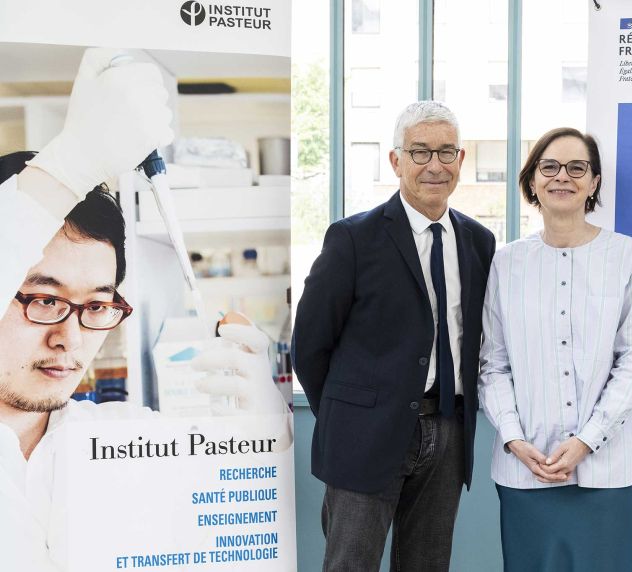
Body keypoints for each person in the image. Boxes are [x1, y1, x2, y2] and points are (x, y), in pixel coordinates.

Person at [0, 48, 283, 571]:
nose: (71, 338)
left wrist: (267, 446)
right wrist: (66, 168)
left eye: (99, 305)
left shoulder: (117, 439)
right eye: (44, 299)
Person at [293, 100, 496, 571]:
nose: (434, 165)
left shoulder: (479, 242)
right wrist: (350, 416)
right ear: (396, 161)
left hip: (447, 432)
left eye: (446, 153)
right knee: (351, 565)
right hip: (364, 434)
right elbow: (310, 345)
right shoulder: (352, 239)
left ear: (461, 161)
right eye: (420, 152)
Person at [478, 127, 632, 571]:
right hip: (526, 470)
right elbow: (492, 364)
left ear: (593, 182)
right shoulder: (506, 262)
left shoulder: (628, 257)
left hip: (606, 470)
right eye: (549, 166)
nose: (563, 176)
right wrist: (514, 440)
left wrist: (585, 442)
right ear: (533, 181)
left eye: (577, 167)